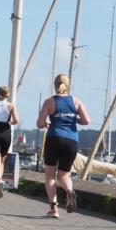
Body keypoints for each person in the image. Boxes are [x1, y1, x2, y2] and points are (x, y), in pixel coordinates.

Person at [36, 74, 90, 218]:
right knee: (64, 175)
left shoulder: (49, 102)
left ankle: (54, 209)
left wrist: (49, 123)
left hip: (54, 138)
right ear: (68, 85)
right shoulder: (76, 101)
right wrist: (73, 119)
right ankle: (68, 192)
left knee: (50, 176)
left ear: (55, 85)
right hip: (71, 141)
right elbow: (86, 121)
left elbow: (40, 124)